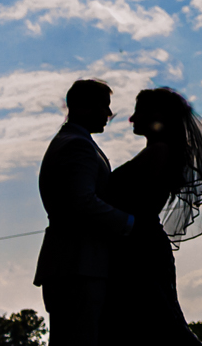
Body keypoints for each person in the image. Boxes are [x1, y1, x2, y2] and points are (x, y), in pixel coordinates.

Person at [98, 88, 202, 346]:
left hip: (140, 249)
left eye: (138, 111)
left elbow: (136, 200)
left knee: (161, 326)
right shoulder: (161, 150)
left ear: (156, 115)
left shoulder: (159, 152)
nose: (131, 119)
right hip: (139, 245)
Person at [33, 81, 136, 346]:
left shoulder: (70, 141)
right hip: (79, 264)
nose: (108, 114)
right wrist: (129, 223)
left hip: (72, 263)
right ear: (81, 107)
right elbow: (82, 201)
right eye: (103, 106)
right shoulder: (77, 146)